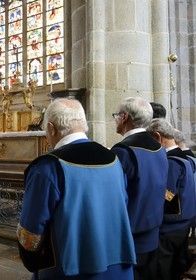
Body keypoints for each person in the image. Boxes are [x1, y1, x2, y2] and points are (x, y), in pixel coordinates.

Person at [17, 98, 136, 279]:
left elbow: (31, 231)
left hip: (69, 270)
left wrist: (32, 262)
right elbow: (123, 204)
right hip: (118, 266)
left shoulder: (48, 167)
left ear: (51, 128)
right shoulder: (113, 159)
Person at [111, 97, 169, 280]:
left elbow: (114, 199)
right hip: (153, 233)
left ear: (125, 117)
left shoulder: (123, 151)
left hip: (130, 238)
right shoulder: (159, 148)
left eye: (116, 116)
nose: (115, 119)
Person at [147, 118, 196, 280]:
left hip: (170, 226)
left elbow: (168, 194)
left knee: (163, 270)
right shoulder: (184, 157)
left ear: (158, 137)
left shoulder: (172, 161)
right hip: (183, 223)